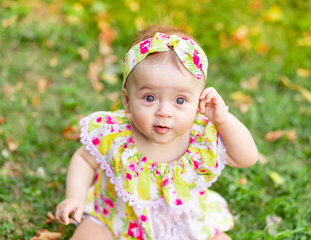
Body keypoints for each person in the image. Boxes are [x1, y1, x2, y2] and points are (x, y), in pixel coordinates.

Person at [55, 25, 258, 240]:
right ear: (127, 100)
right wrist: (75, 197)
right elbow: (84, 160)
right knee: (87, 235)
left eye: (180, 100)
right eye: (149, 98)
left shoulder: (202, 136)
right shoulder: (114, 133)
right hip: (116, 221)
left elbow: (246, 158)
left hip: (183, 226)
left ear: (199, 101)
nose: (164, 112)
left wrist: (223, 120)